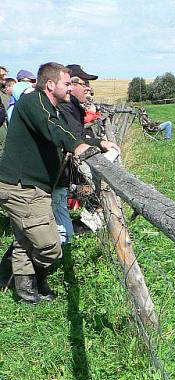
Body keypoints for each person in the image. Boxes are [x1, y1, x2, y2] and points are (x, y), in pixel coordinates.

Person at [0, 62, 117, 304]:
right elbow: (56, 130)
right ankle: (37, 281)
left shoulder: (49, 107)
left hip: (29, 186)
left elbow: (67, 132)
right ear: (51, 85)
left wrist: (97, 144)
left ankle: (27, 293)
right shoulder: (36, 102)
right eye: (67, 83)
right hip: (23, 187)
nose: (71, 86)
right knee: (49, 245)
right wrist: (78, 146)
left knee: (24, 241)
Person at [50, 64, 103, 245]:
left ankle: (82, 227)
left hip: (65, 172)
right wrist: (100, 143)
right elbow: (75, 139)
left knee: (84, 195)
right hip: (58, 174)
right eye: (84, 82)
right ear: (71, 85)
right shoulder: (66, 108)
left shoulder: (72, 106)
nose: (87, 87)